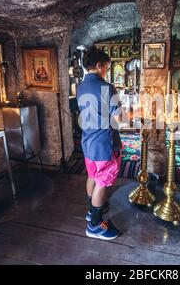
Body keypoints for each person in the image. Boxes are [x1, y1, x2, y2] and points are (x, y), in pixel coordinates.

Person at [77, 47, 122, 240]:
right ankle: (95, 225)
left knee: (92, 176)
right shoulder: (106, 87)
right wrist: (137, 112)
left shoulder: (80, 86)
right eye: (107, 67)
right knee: (103, 182)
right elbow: (119, 118)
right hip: (104, 144)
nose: (107, 71)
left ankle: (92, 210)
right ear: (99, 65)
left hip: (88, 142)